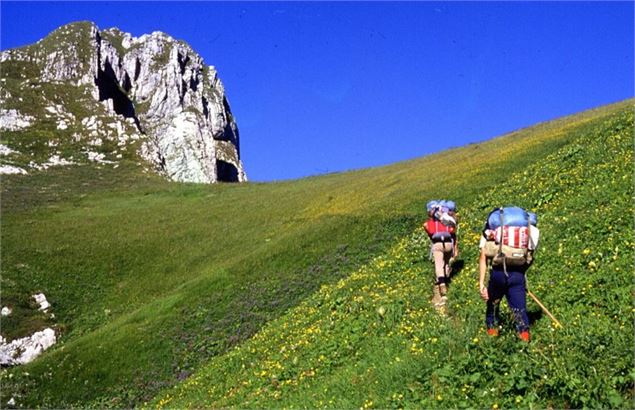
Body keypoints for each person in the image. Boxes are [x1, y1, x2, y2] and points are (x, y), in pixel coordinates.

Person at [478, 207, 539, 342]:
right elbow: (529, 256)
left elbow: (483, 258)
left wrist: (481, 283)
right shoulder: (528, 231)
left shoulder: (490, 232)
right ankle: (524, 340)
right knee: (520, 310)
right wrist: (521, 273)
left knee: (492, 306)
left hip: (498, 274)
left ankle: (492, 338)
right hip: (517, 275)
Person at [423, 201, 459, 302]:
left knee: (438, 264)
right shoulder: (446, 220)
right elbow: (453, 232)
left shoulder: (430, 223)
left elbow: (427, 228)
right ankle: (446, 277)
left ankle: (442, 284)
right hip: (448, 243)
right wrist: (455, 247)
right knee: (446, 263)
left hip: (437, 243)